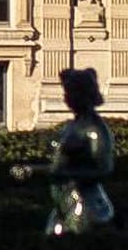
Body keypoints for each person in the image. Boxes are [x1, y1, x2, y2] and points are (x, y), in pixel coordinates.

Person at [31, 66, 118, 236]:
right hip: (65, 204)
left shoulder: (95, 130)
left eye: (71, 92)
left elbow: (104, 169)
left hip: (86, 206)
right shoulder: (71, 126)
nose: (66, 98)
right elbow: (60, 166)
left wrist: (62, 174)